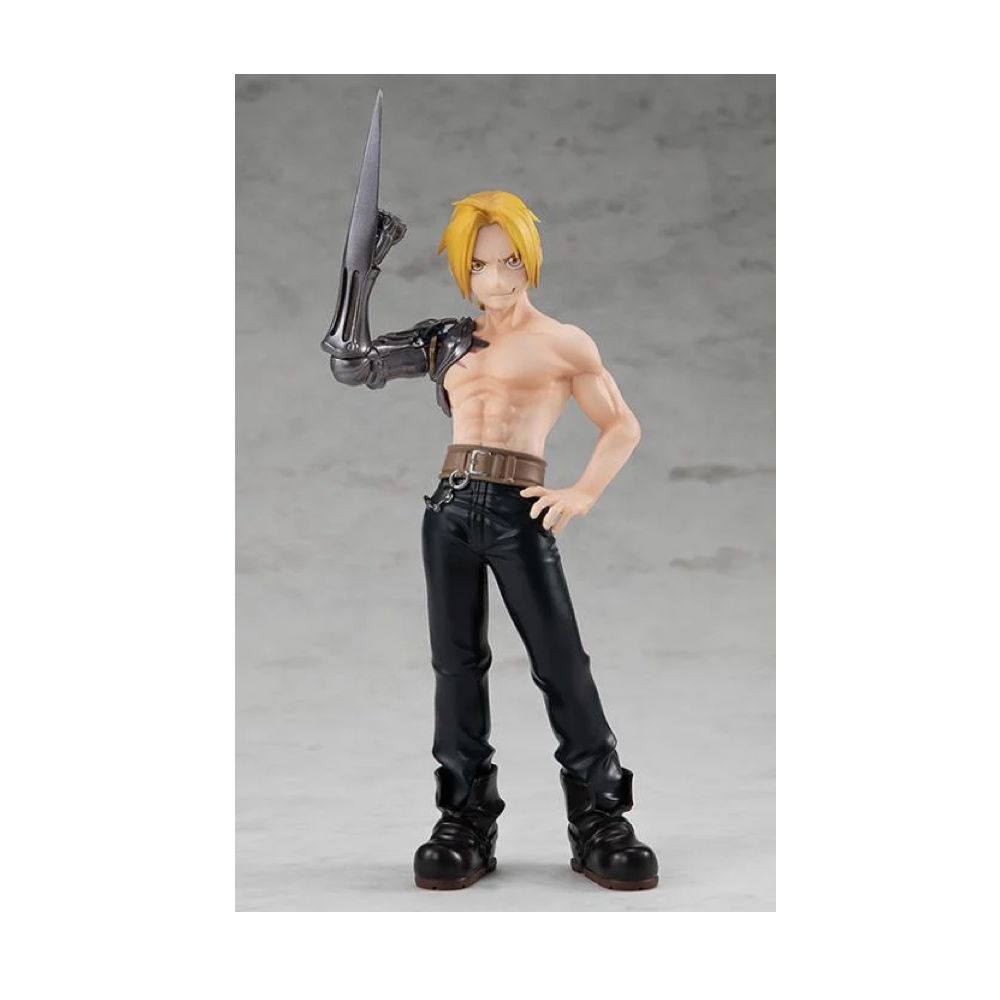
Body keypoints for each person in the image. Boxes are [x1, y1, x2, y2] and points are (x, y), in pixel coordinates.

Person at [325, 188, 658, 892]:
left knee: (561, 662)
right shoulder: (448, 339)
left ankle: (600, 817)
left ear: (530, 261)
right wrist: (361, 276)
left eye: (509, 261)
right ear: (461, 271)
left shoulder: (563, 342)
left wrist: (582, 492)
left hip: (517, 508)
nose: (496, 278)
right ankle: (464, 820)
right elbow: (354, 364)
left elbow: (621, 425)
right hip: (448, 508)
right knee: (456, 665)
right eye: (479, 265)